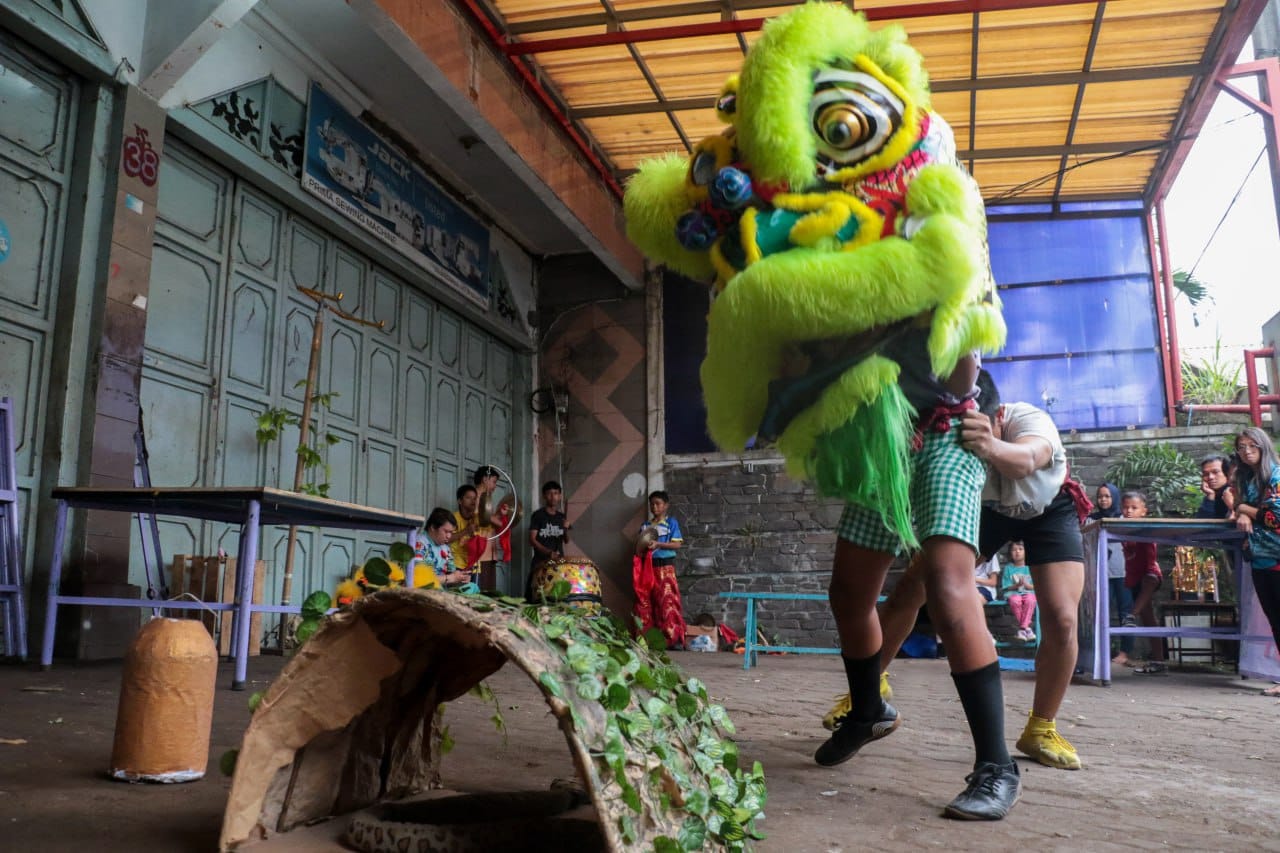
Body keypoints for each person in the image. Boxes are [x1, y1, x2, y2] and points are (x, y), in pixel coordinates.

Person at [825, 371, 1088, 773]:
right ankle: (868, 693)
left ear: (994, 414)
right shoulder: (946, 438)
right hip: (988, 513)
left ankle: (1041, 728)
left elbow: (1029, 459)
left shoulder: (1025, 418)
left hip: (1048, 509)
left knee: (1063, 617)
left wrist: (990, 444)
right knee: (914, 586)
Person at [813, 349, 1021, 821]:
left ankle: (997, 765)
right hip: (885, 442)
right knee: (848, 592)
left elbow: (963, 370)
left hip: (950, 434)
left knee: (947, 587)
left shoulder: (949, 278)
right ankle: (869, 712)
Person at [1229, 427, 1280, 696]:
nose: (1247, 451)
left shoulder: (1276, 475)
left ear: (1263, 446)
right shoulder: (1247, 478)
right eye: (1242, 447)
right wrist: (1243, 510)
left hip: (1277, 556)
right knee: (1275, 620)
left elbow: (1275, 518)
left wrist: (1244, 510)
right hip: (1261, 558)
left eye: (1252, 446)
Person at [633, 490, 688, 649]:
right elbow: (639, 547)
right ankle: (650, 638)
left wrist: (659, 545)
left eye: (658, 504)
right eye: (652, 504)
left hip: (665, 566)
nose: (654, 507)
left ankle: (673, 639)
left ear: (666, 506)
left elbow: (677, 545)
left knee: (668, 600)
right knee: (648, 601)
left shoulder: (671, 523)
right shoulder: (646, 526)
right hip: (648, 568)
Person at [1120, 490, 1166, 674]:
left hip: (1150, 574)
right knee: (1149, 621)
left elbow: (1149, 560)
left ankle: (1131, 615)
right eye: (1125, 508)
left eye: (1134, 508)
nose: (1129, 511)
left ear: (1144, 511)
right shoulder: (1121, 529)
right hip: (1134, 578)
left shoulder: (1148, 528)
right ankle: (1159, 662)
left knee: (1150, 579)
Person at [1092, 483, 1133, 666]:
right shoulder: (1091, 520)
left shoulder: (1124, 517)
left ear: (1114, 497)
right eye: (1101, 496)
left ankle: (1125, 653)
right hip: (1101, 573)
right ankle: (1102, 651)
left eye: (1107, 496)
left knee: (1126, 614)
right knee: (1102, 614)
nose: (1103, 500)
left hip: (1124, 572)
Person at [472, 465, 518, 592]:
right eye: (493, 481)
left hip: (488, 551)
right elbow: (486, 518)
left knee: (489, 589)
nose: (495, 486)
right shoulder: (474, 496)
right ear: (485, 479)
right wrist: (499, 521)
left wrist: (499, 515)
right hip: (480, 551)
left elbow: (487, 520)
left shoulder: (486, 499)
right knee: (481, 590)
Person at [526, 480, 572, 599]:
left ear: (560, 496)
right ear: (544, 496)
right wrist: (548, 552)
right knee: (537, 596)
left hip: (558, 563)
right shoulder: (538, 515)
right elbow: (531, 540)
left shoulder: (561, 517)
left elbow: (566, 540)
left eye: (556, 493)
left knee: (557, 597)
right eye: (549, 493)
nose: (553, 497)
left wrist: (565, 528)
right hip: (540, 563)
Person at [417, 507, 470, 588]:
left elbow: (452, 575)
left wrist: (461, 578)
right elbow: (421, 579)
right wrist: (451, 578)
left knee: (472, 587)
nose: (449, 536)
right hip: (423, 593)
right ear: (433, 527)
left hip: (442, 593)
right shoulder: (419, 544)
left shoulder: (446, 549)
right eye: (446, 531)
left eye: (451, 532)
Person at [999, 541, 1037, 642]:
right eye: (1014, 550)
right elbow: (1006, 587)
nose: (1017, 552)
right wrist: (1016, 585)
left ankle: (1022, 629)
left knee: (1030, 600)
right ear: (1010, 553)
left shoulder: (1030, 567)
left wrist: (1027, 586)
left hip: (1029, 592)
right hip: (1013, 593)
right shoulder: (1008, 568)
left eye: (1020, 549)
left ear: (1025, 551)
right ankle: (1027, 629)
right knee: (1015, 601)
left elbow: (1036, 585)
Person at [1195, 453, 1235, 519]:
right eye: (1206, 474)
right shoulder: (1211, 496)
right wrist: (1210, 496)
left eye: (1216, 472)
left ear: (1227, 473)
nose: (1210, 477)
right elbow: (1202, 525)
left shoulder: (1235, 493)